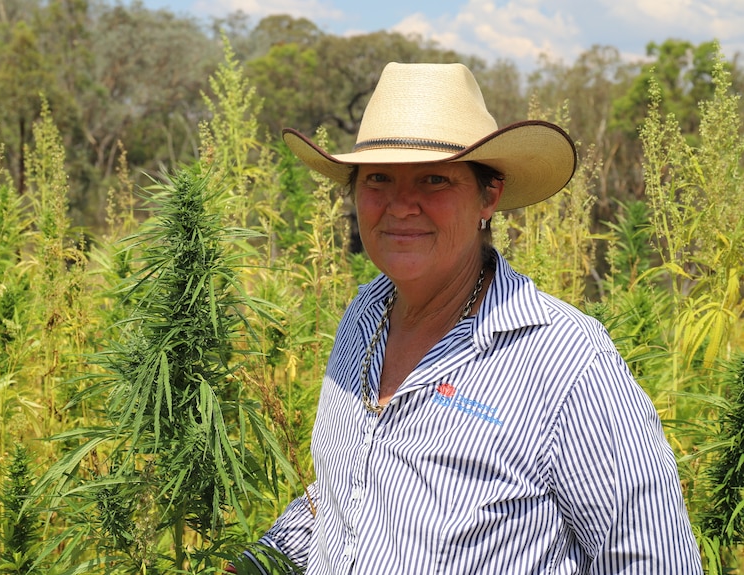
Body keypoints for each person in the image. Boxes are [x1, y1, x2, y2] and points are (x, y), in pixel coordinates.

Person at [229, 62, 702, 574]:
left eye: (435, 180)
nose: (402, 205)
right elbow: (345, 488)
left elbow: (653, 560)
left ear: (489, 195)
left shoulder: (564, 362)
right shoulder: (364, 315)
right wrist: (265, 559)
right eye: (379, 178)